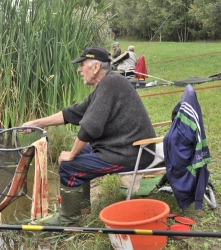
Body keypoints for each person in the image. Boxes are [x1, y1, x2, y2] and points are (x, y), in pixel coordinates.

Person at [22, 46, 156, 225]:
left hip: (133, 154)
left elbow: (90, 127)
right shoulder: (108, 83)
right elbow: (74, 113)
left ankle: (69, 218)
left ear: (95, 68)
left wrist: (71, 154)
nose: (79, 69)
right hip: (126, 147)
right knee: (81, 153)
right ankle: (83, 209)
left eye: (82, 64)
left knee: (69, 166)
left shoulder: (110, 84)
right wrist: (36, 123)